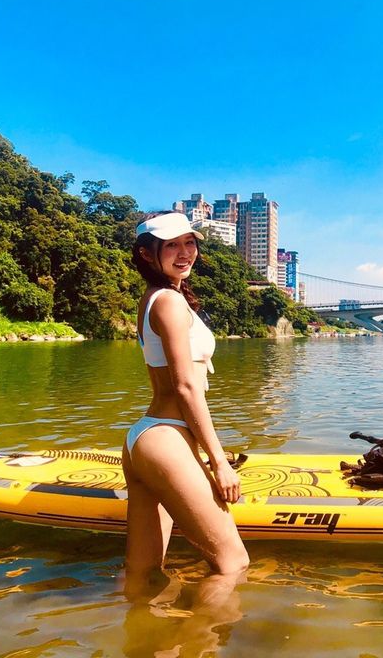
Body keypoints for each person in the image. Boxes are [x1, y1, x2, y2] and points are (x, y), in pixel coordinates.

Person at [123, 211, 249, 587]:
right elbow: (185, 387)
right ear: (147, 254)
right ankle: (204, 639)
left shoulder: (154, 298)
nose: (185, 252)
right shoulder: (169, 302)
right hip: (167, 440)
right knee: (233, 565)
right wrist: (218, 461)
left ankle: (145, 637)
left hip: (145, 439)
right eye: (171, 245)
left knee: (142, 573)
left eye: (189, 242)